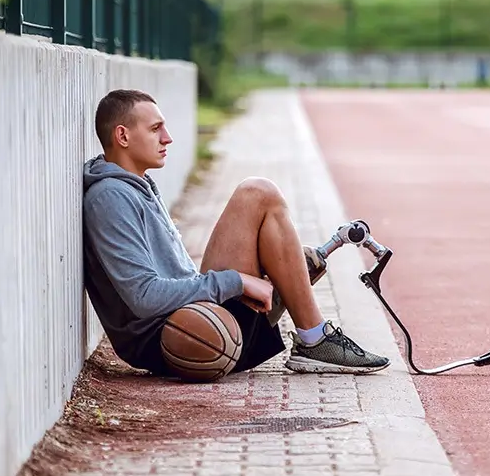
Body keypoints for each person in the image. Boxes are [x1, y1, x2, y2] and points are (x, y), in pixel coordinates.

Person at [81, 88, 390, 377]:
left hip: (192, 318)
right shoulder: (110, 197)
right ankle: (313, 337)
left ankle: (290, 294)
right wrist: (238, 282)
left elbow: (174, 278)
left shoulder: (137, 186)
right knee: (256, 192)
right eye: (155, 129)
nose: (168, 138)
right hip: (176, 336)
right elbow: (144, 297)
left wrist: (246, 282)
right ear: (122, 135)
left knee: (269, 214)